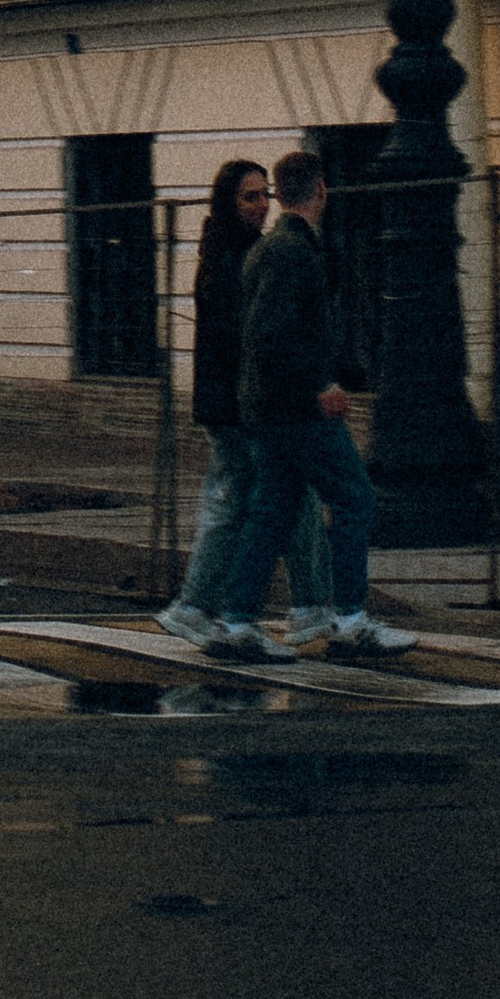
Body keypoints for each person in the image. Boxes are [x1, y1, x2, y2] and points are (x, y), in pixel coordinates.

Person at [212, 149, 419, 671]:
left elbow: (263, 333)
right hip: (295, 409)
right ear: (321, 190)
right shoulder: (292, 252)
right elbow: (271, 334)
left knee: (271, 511)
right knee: (353, 497)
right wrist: (318, 385)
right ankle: (350, 621)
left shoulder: (268, 250)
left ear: (281, 192)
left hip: (265, 407)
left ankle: (236, 623)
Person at [156, 157, 332, 661]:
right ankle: (207, 607)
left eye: (264, 196)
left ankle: (305, 605)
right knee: (248, 503)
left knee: (259, 500)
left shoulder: (235, 249)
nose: (260, 206)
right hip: (239, 408)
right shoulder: (239, 256)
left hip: (238, 404)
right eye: (249, 197)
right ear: (228, 203)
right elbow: (246, 340)